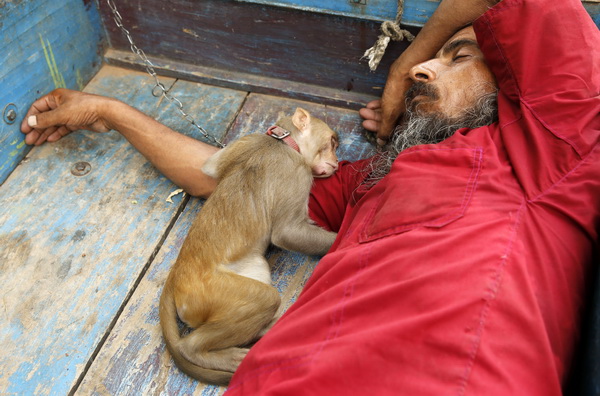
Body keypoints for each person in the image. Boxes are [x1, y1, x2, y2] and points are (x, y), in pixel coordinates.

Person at [20, 0, 599, 394]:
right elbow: (224, 182)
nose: (426, 67)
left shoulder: (561, 143)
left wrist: (398, 66)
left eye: (459, 57)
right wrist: (109, 111)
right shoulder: (371, 181)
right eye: (426, 59)